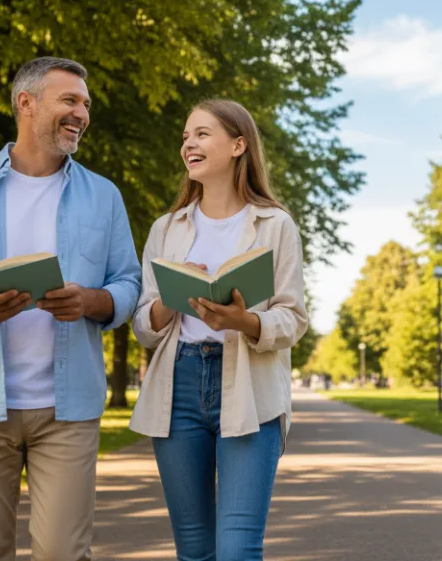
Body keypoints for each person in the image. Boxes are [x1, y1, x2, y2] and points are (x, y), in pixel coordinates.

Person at [0, 56, 142, 561]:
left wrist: (91, 301)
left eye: (86, 104)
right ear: (26, 102)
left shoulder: (104, 196)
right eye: (70, 100)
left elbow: (129, 284)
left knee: (63, 551)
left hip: (67, 409)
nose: (82, 113)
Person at [130, 99, 308, 561]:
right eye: (186, 136)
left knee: (237, 549)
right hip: (179, 388)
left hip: (249, 387)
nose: (189, 143)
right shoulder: (166, 229)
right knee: (193, 550)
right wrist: (169, 304)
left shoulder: (275, 225)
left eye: (202, 133)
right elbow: (143, 325)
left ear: (237, 145)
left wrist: (244, 321)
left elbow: (293, 318)